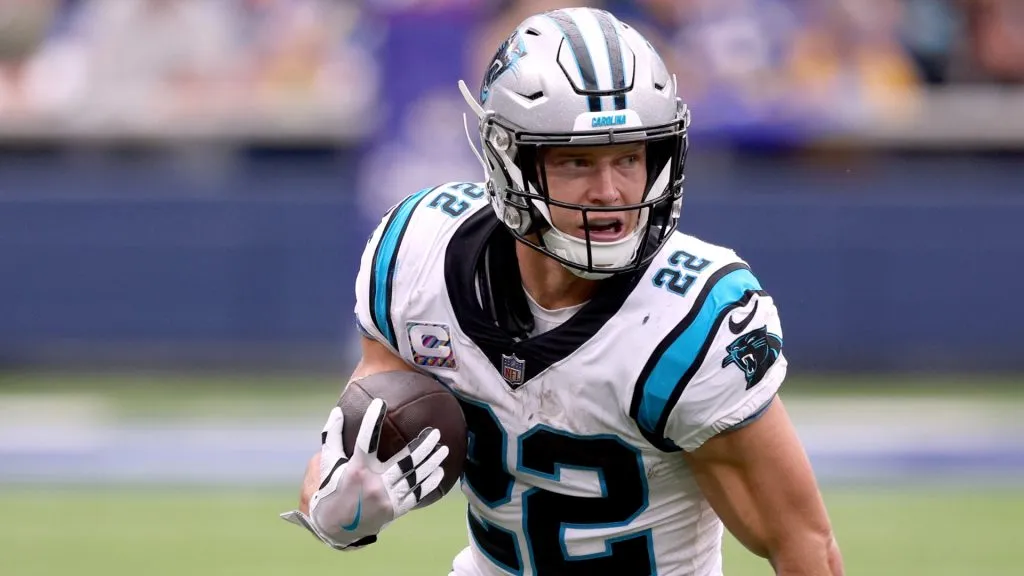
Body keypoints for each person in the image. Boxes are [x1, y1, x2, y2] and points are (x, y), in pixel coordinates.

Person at [282, 7, 844, 576]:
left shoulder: (691, 318)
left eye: (630, 157)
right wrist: (339, 509)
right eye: (578, 161)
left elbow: (801, 542)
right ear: (509, 161)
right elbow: (346, 450)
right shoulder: (420, 254)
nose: (610, 191)